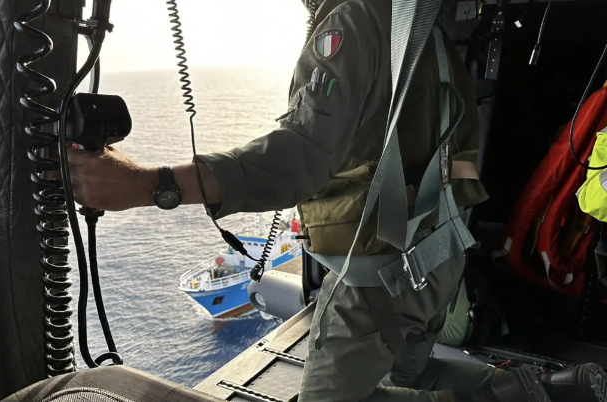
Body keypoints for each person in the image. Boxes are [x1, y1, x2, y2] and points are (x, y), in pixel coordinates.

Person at [67, 0, 607, 401]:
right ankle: (532, 389)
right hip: (434, 262)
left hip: (377, 278)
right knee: (411, 372)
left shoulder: (351, 21)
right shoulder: (420, 25)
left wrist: (147, 184)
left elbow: (299, 154)